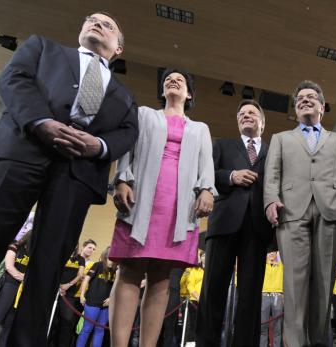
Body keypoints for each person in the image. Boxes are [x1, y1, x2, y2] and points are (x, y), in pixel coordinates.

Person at [0, 12, 138, 346]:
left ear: (119, 48)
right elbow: (13, 80)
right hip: (20, 151)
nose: (96, 23)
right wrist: (40, 121)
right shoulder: (43, 48)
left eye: (108, 24)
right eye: (91, 19)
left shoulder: (125, 95)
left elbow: (128, 133)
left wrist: (99, 146)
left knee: (47, 269)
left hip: (77, 173)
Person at [109, 67, 215, 347]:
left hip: (179, 209)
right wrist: (122, 180)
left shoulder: (200, 128)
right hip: (141, 199)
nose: (173, 80)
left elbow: (207, 167)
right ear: (162, 90)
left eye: (181, 80)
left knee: (161, 279)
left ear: (189, 94)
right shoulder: (144, 114)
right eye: (169, 79)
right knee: (129, 270)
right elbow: (127, 150)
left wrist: (206, 190)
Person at [263, 80, 336, 346]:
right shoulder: (281, 138)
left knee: (324, 286)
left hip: (333, 213)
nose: (305, 99)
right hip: (290, 212)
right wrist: (270, 201)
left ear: (322, 107)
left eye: (311, 97)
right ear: (295, 108)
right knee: (293, 286)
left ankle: (318, 342)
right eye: (300, 98)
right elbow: (272, 175)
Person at [196, 99, 274, 346]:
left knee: (250, 295)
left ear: (262, 122)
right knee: (213, 292)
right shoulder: (222, 145)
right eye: (241, 113)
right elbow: (206, 175)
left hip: (258, 227)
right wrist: (231, 176)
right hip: (223, 225)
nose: (246, 115)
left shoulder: (274, 151)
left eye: (252, 112)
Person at [76, 246, 116, 347]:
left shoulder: (117, 270)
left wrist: (111, 299)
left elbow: (117, 288)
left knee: (100, 330)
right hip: (92, 302)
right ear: (107, 254)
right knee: (87, 329)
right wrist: (82, 295)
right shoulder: (98, 265)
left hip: (106, 305)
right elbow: (86, 280)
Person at [54, 245, 86, 347]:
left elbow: (80, 275)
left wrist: (68, 285)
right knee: (53, 319)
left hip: (69, 294)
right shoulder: (60, 254)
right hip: (55, 290)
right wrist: (58, 285)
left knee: (67, 320)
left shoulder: (80, 259)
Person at [260, 251, 283, 347]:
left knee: (277, 328)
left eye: (274, 252)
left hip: (277, 296)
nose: (271, 254)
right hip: (264, 295)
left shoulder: (281, 263)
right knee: (262, 328)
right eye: (269, 252)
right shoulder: (263, 264)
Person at [186, 252, 205, 342]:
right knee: (194, 325)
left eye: (206, 255)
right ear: (200, 258)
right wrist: (198, 297)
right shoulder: (195, 270)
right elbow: (190, 286)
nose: (205, 257)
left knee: (204, 326)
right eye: (203, 256)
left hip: (206, 302)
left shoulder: (210, 270)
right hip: (195, 301)